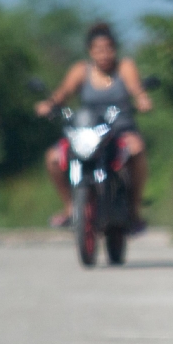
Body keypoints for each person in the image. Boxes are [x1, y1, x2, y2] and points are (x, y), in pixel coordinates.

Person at [36, 22, 152, 232]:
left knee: (137, 150)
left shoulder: (124, 67)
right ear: (90, 52)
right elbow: (62, 93)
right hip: (88, 133)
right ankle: (71, 208)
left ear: (115, 49)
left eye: (108, 49)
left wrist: (142, 99)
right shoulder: (81, 70)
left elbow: (136, 89)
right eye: (98, 50)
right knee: (53, 158)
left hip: (119, 132)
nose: (104, 54)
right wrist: (49, 105)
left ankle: (134, 210)